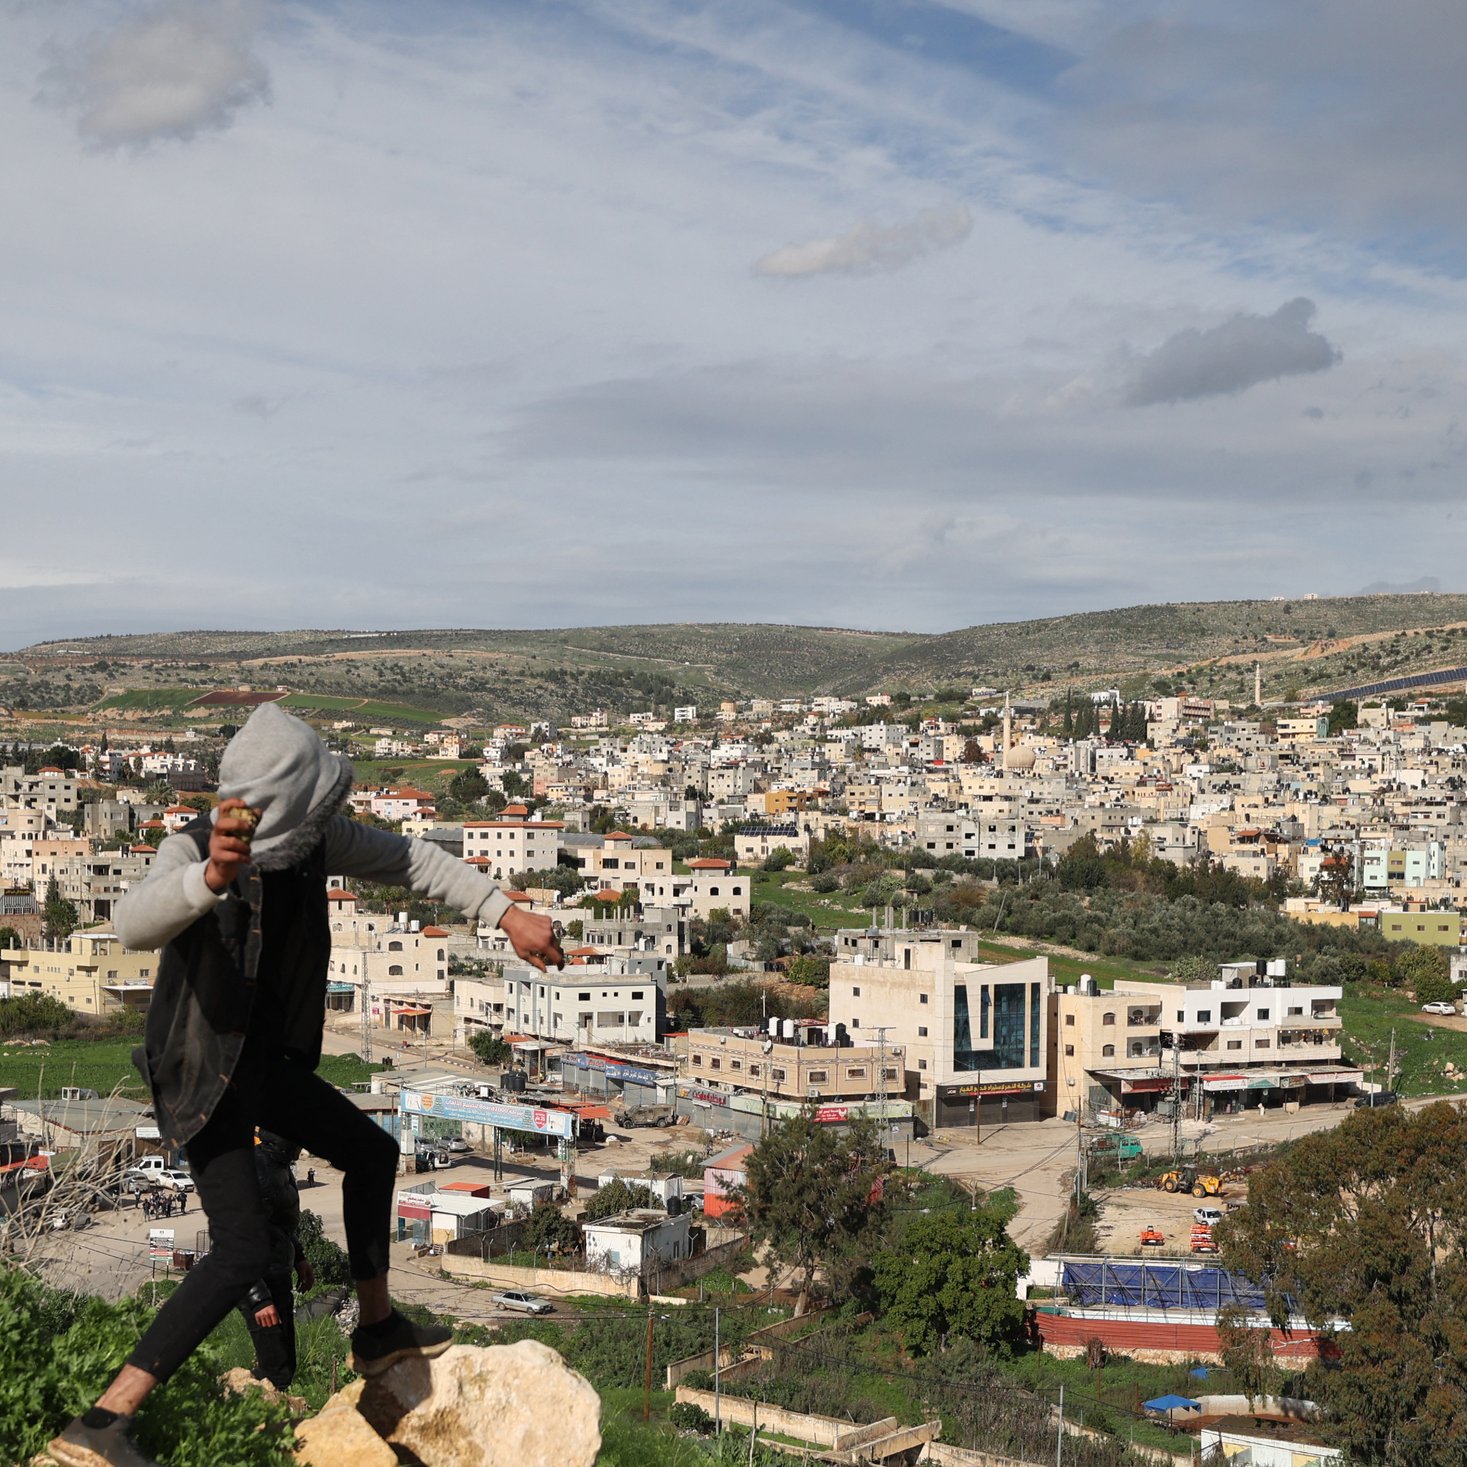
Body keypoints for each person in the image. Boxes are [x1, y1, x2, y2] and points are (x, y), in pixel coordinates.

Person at [50, 704, 563, 1467]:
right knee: (241, 1248)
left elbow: (414, 860)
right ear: (294, 798)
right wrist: (212, 878)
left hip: (264, 1065)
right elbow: (132, 922)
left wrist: (505, 910)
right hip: (202, 1069)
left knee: (372, 1153)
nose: (336, 812)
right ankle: (102, 1421)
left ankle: (378, 1328)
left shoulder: (310, 844)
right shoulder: (194, 847)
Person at [237, 1130, 312, 1392]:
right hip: (255, 1281)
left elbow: (279, 1225)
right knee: (275, 1372)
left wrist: (299, 1257)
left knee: (285, 1367)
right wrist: (258, 1298)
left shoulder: (279, 1167)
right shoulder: (257, 1170)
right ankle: (257, 1424)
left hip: (277, 1274)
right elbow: (236, 1241)